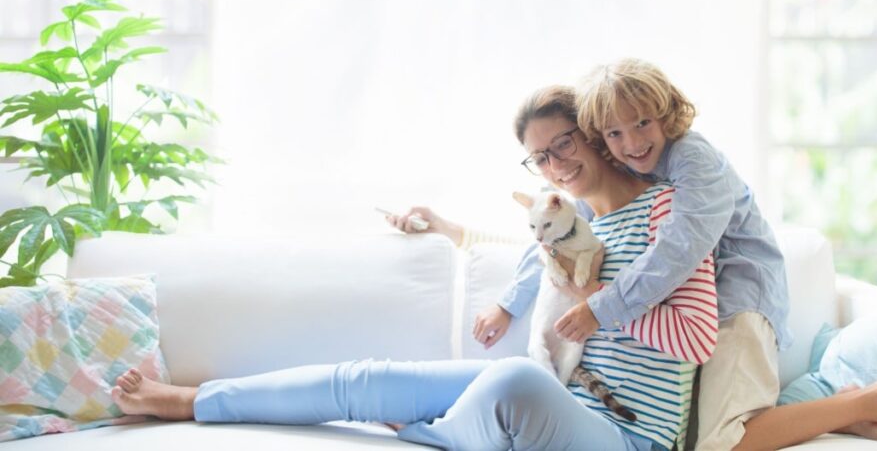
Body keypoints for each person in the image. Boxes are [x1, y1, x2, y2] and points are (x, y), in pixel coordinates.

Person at [109, 85, 716, 451]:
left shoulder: (671, 208)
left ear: (593, 134)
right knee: (372, 377)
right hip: (562, 397)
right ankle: (196, 401)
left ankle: (435, 432)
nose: (555, 165)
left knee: (511, 380)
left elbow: (695, 337)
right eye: (539, 158)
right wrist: (450, 230)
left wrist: (598, 297)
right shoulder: (572, 217)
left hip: (628, 435)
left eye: (564, 145)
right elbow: (530, 250)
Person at [478, 58, 877, 451]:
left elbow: (679, 249)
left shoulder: (694, 161)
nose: (633, 141)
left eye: (643, 123)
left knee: (726, 442)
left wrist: (603, 307)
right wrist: (507, 302)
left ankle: (875, 399)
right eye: (616, 133)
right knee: (702, 429)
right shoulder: (625, 164)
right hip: (695, 304)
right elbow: (554, 238)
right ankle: (843, 411)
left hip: (739, 298)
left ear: (669, 113)